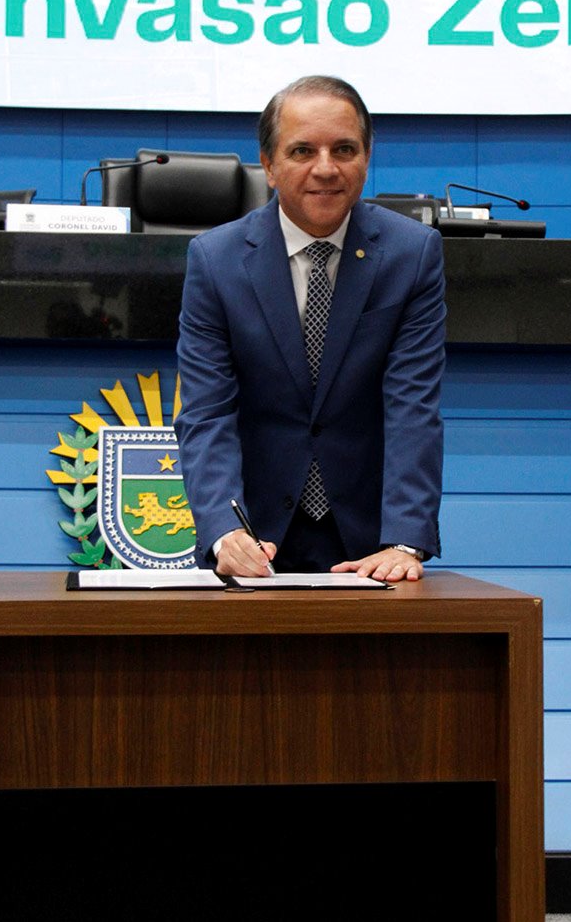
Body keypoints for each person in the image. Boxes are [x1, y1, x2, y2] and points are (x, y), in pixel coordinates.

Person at [175, 75, 445, 582]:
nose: (326, 168)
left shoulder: (412, 254)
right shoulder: (215, 260)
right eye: (302, 151)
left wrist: (404, 540)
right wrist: (223, 531)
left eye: (344, 149)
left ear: (366, 157)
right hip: (254, 536)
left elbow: (413, 406)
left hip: (370, 542)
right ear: (268, 165)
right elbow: (208, 412)